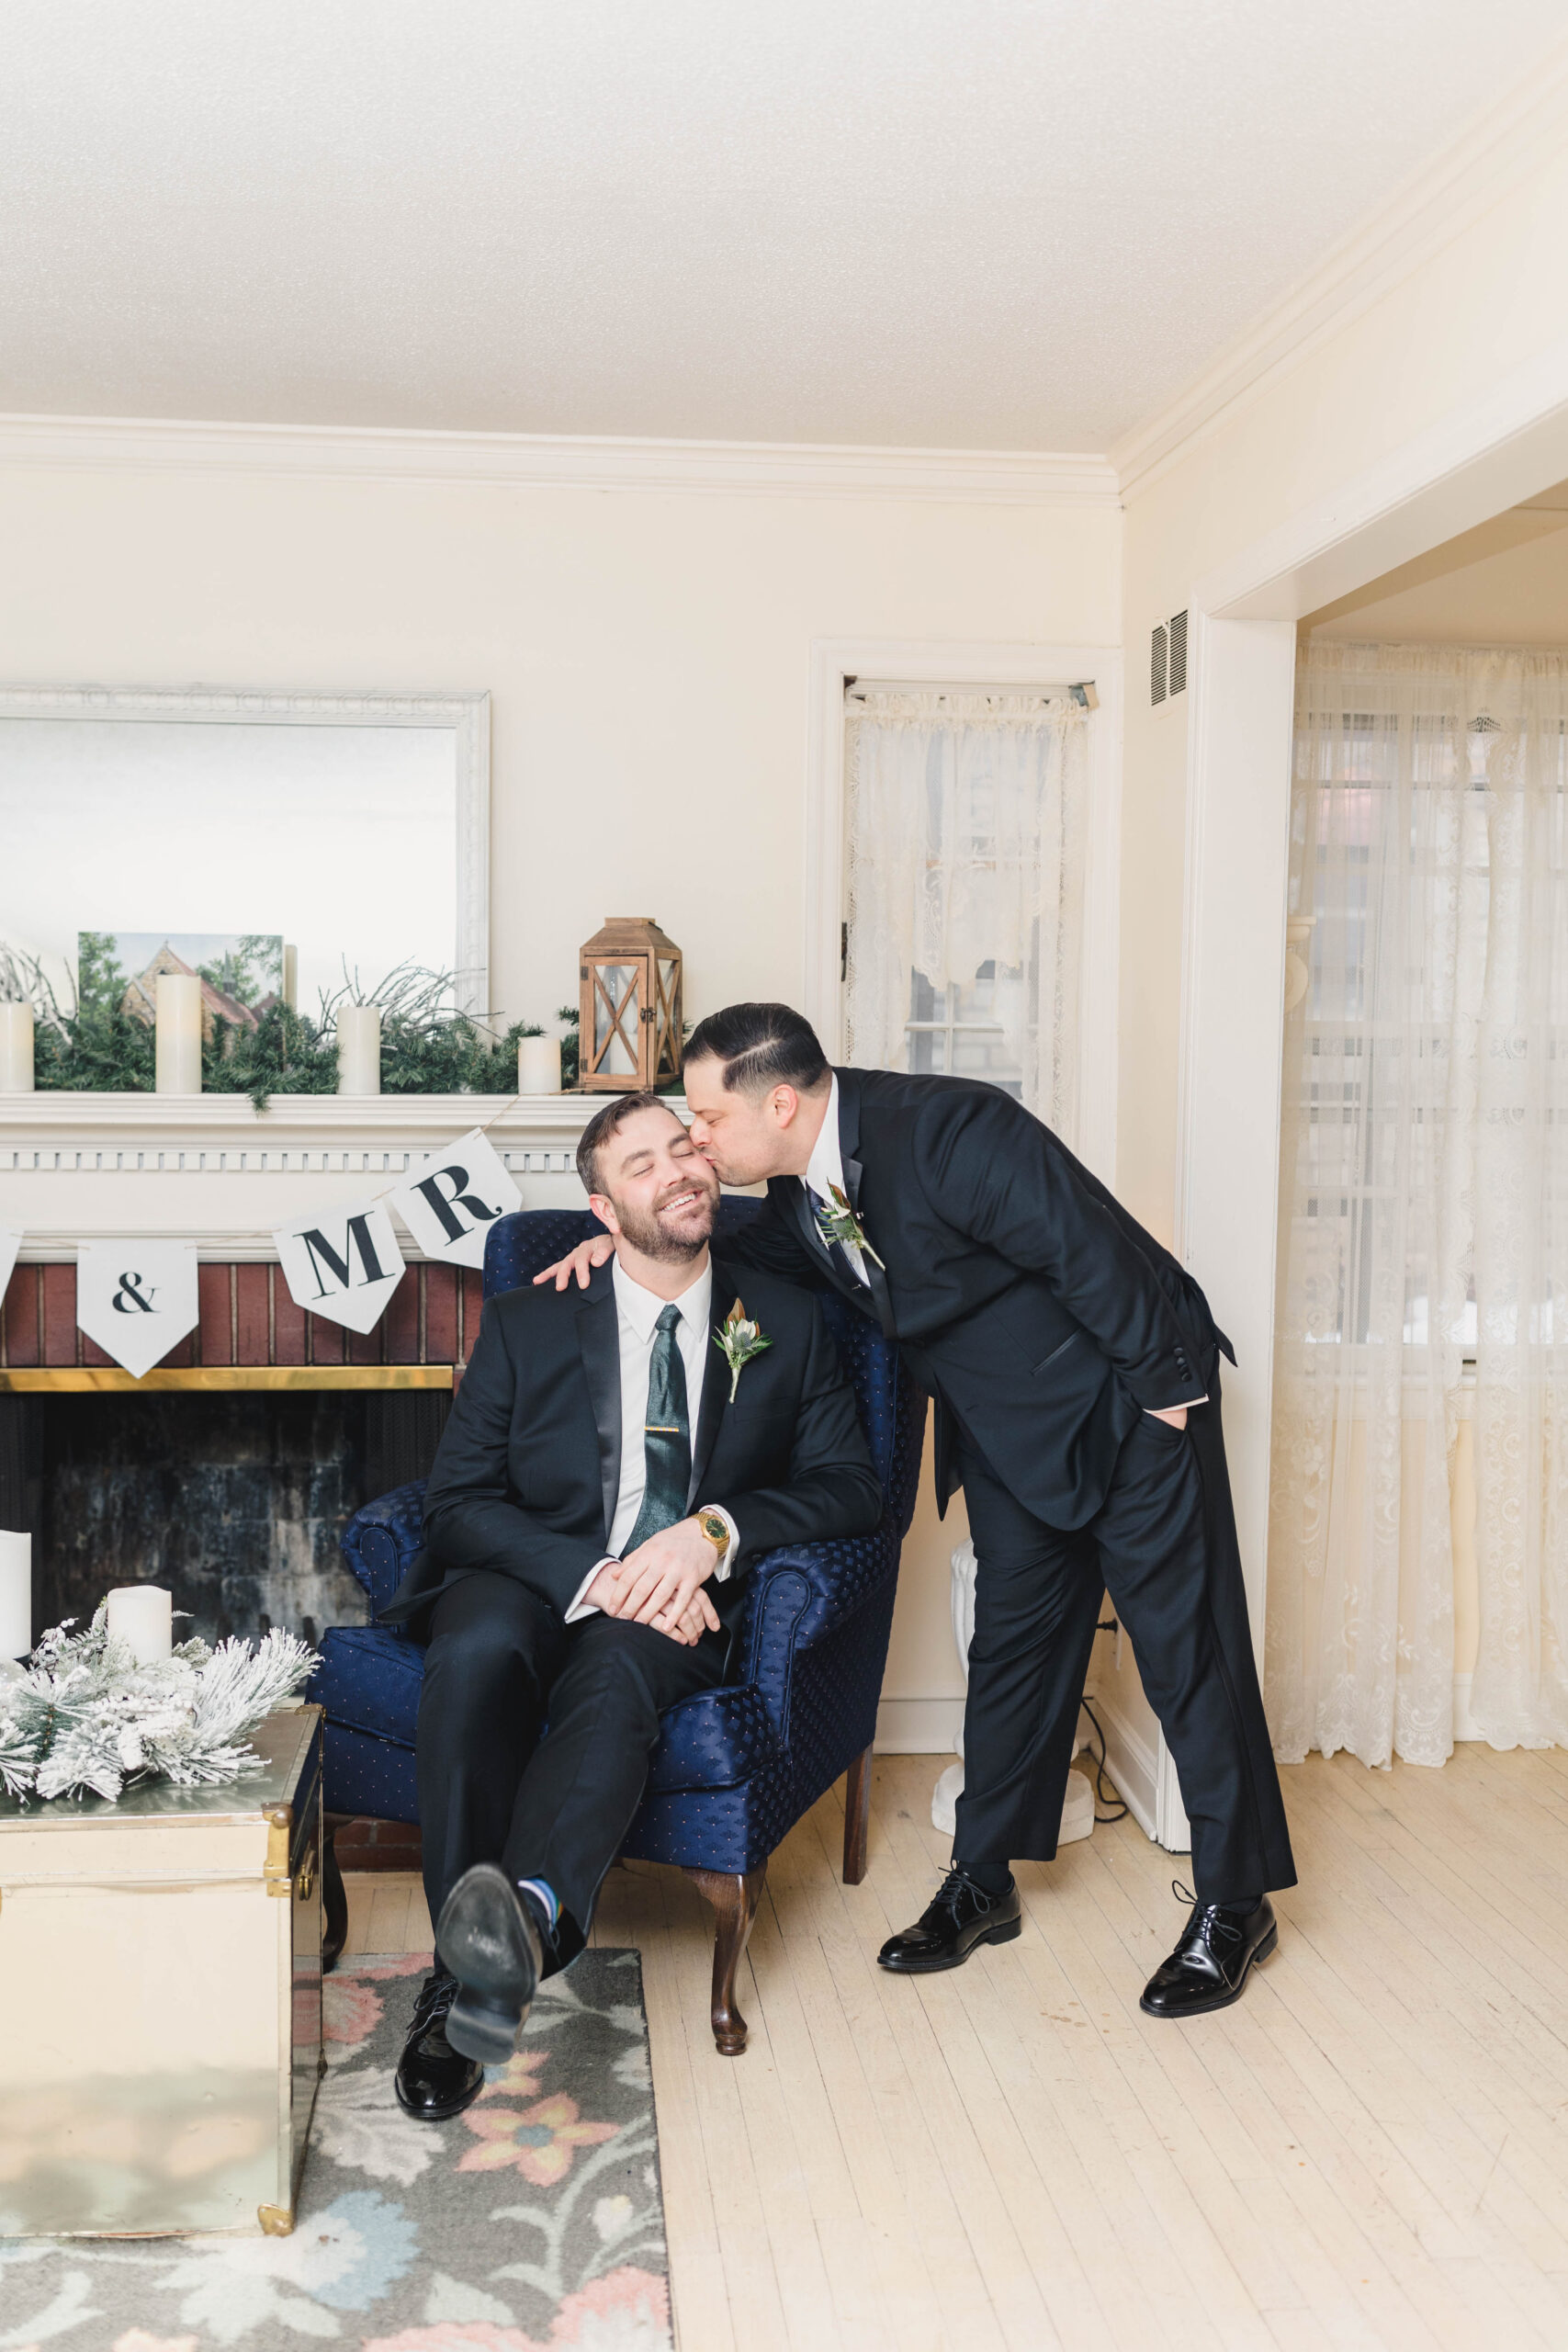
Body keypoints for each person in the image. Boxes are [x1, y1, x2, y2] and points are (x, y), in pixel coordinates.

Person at [538, 1004, 1296, 2019]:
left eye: (708, 1115)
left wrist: (1167, 1402)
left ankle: (1237, 1901)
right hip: (1008, 1436)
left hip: (1128, 1406)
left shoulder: (951, 1128)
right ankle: (984, 1877)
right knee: (1014, 1657)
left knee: (1186, 1651)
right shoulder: (796, 1190)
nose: (697, 1138)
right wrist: (612, 1258)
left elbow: (1091, 1248)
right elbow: (748, 1249)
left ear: (779, 1099)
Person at [382, 1088, 882, 2120]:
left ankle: (501, 1946)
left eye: (683, 1149)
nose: (679, 1172)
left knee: (617, 1669)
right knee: (473, 1650)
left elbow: (852, 1485)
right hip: (540, 1576)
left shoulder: (782, 1316)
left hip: (681, 1607)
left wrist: (711, 1536)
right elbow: (459, 1503)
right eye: (642, 1166)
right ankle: (472, 1952)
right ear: (604, 1216)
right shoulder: (528, 1322)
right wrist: (598, 1575)